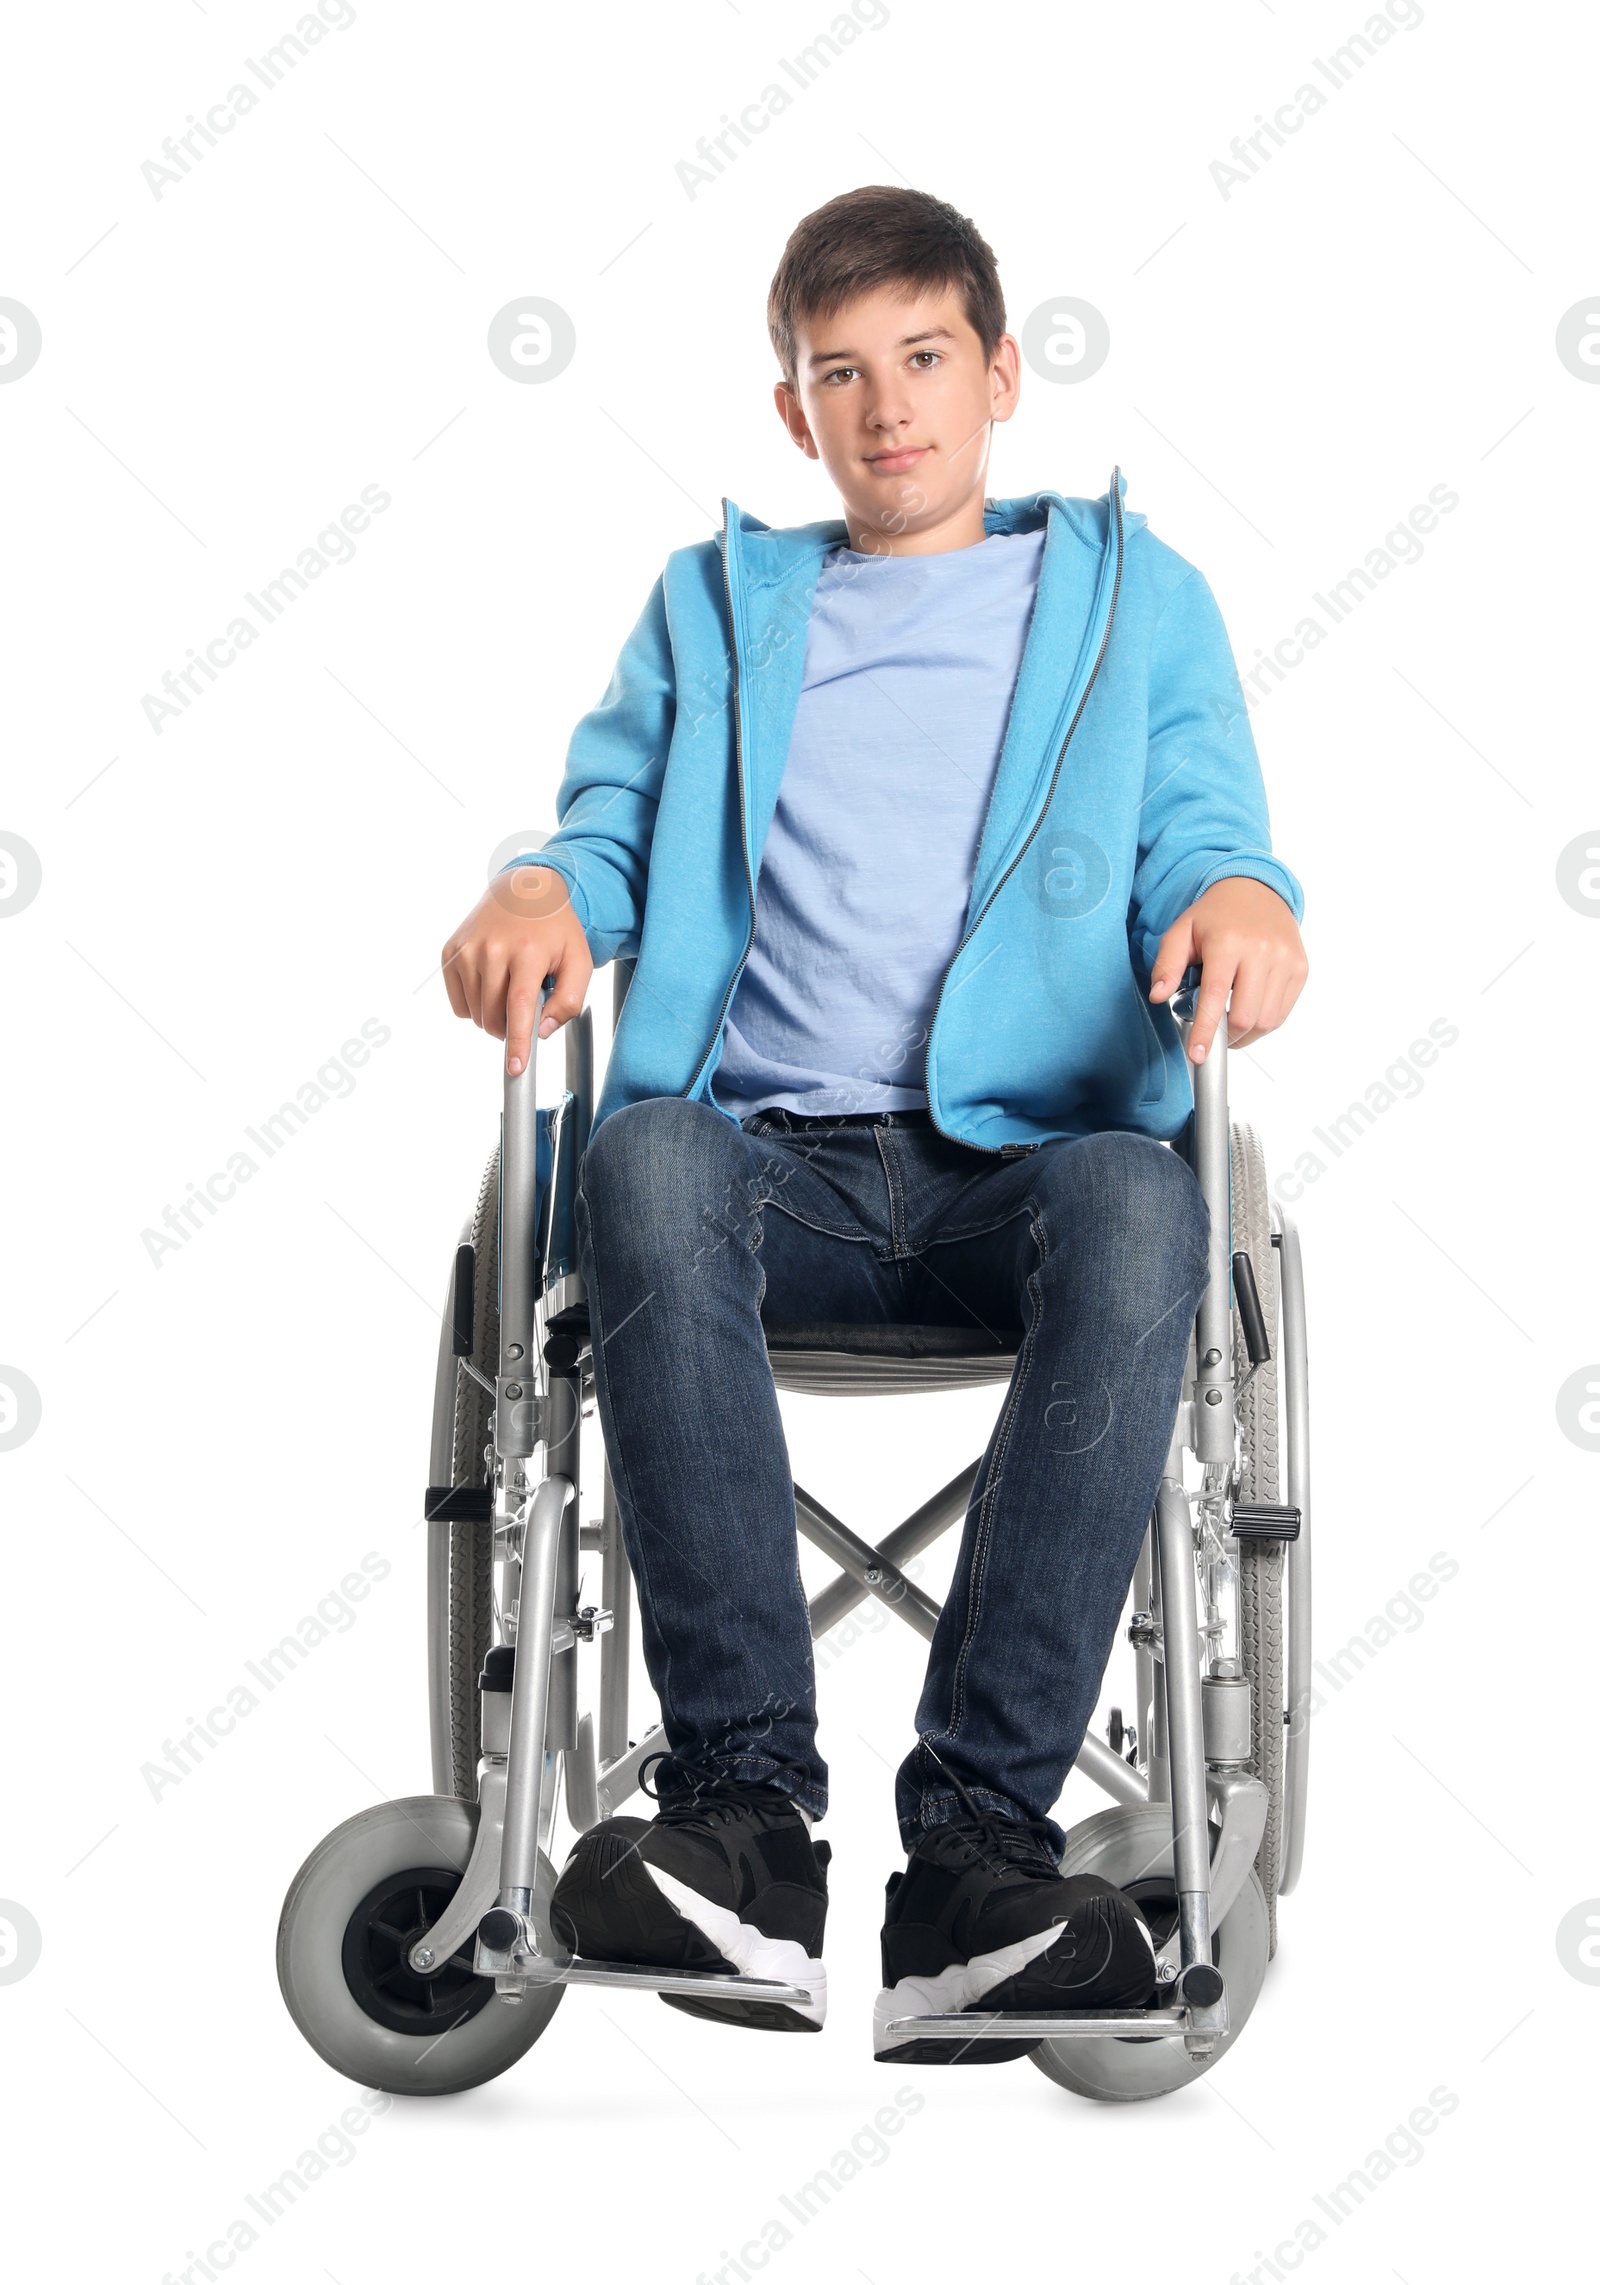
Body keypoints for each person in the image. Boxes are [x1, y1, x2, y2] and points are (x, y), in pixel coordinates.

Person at [440, 186, 1308, 2063]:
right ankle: (745, 1822)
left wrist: (1244, 897)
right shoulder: (714, 604)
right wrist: (542, 891)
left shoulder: (1126, 594)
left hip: (1028, 1167)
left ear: (1000, 375)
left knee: (1150, 1203)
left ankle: (978, 1858)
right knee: (643, 1157)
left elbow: (1202, 821)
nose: (886, 406)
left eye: (923, 359)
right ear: (794, 415)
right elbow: (604, 822)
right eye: (840, 374)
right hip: (767, 1170)